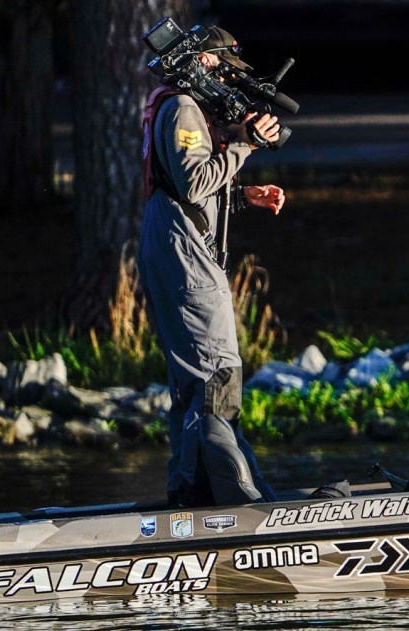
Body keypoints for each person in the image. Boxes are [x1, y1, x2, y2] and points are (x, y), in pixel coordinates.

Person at [139, 25, 286, 508]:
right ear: (205, 61)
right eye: (225, 68)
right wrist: (246, 145)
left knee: (192, 382)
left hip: (171, 239)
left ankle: (192, 492)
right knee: (215, 371)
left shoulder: (177, 106)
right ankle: (231, 500)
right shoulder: (183, 107)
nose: (228, 78)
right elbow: (193, 182)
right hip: (183, 251)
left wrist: (241, 195)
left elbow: (183, 186)